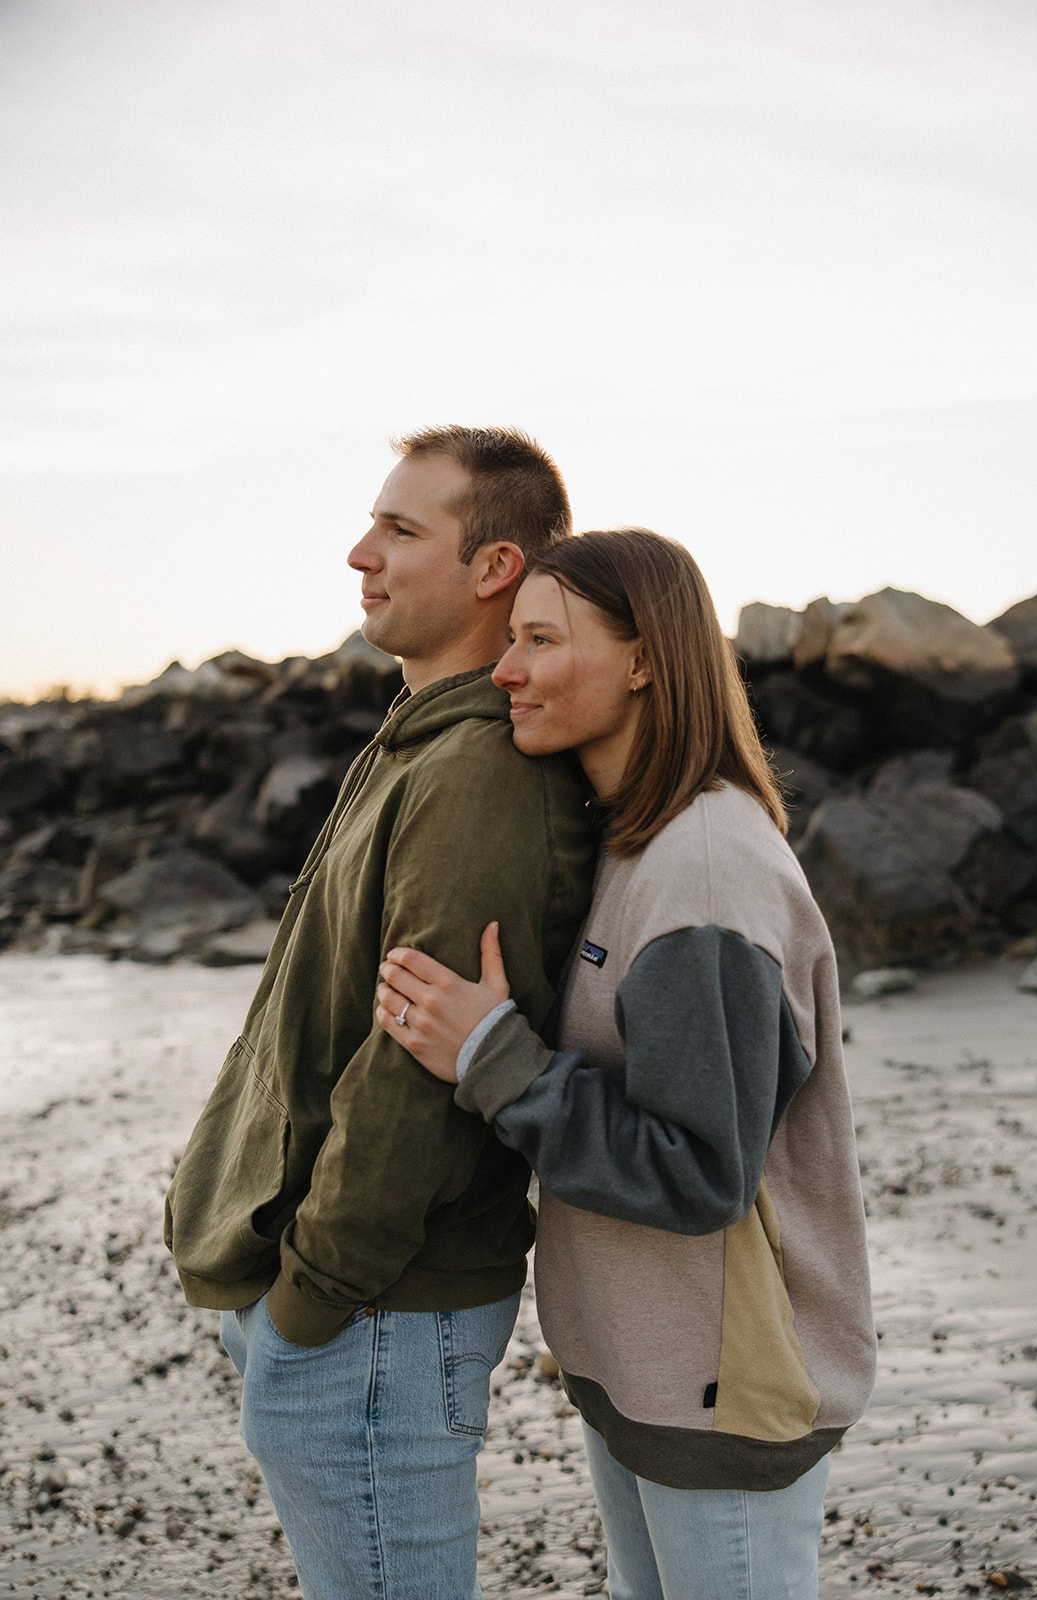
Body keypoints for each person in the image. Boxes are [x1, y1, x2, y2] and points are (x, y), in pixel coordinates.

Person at [375, 527, 877, 1600]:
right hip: (643, 1374)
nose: (503, 668)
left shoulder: (702, 875)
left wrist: (489, 1054)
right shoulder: (629, 838)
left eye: (540, 640)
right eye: (508, 639)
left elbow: (697, 1169)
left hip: (725, 1390)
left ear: (644, 658)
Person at [164, 426, 596, 1600]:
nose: (363, 551)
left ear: (493, 566)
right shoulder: (414, 742)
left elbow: (417, 1073)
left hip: (373, 1312)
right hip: (332, 1297)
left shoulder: (476, 774)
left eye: (402, 530)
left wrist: (312, 1296)